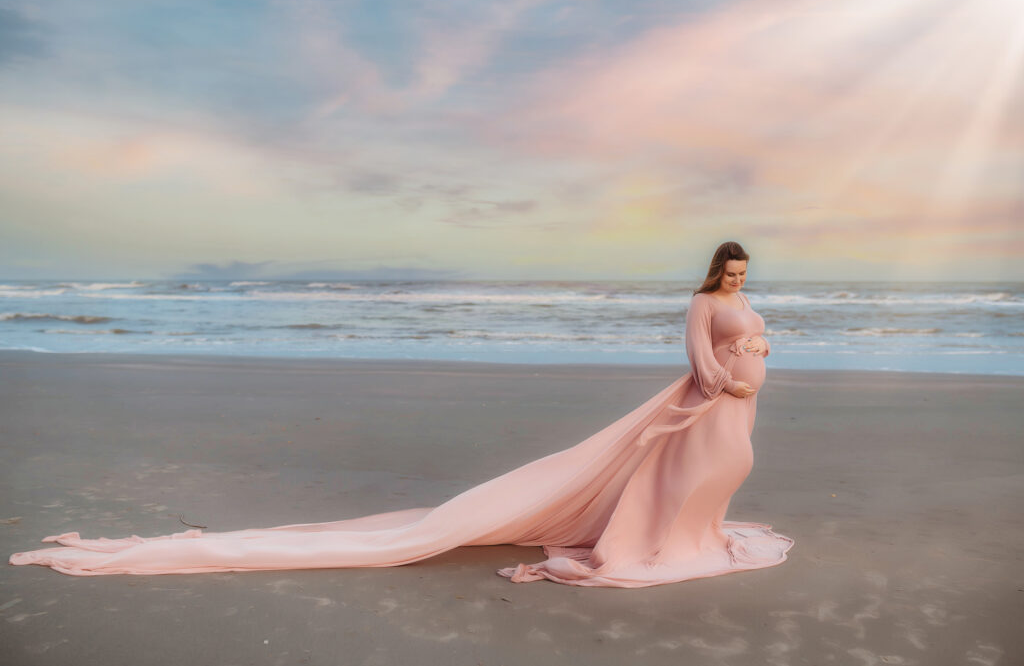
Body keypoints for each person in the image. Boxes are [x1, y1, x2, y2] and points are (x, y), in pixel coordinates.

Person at [9, 241, 794, 587]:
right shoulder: (698, 301)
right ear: (713, 272)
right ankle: (654, 539)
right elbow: (699, 360)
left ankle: (690, 534)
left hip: (738, 411)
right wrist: (736, 372)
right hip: (710, 405)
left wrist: (760, 342)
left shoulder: (741, 299)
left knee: (726, 475)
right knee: (685, 476)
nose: (735, 280)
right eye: (730, 272)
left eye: (743, 274)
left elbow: (746, 336)